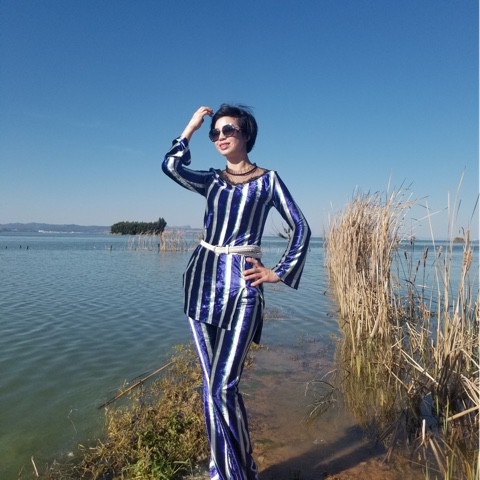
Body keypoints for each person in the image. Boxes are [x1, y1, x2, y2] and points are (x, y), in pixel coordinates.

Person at [162, 104, 311, 480]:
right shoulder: (211, 181)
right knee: (211, 385)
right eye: (215, 133)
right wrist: (191, 128)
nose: (220, 137)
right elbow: (171, 166)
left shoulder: (268, 181)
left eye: (228, 130)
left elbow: (301, 227)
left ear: (246, 134)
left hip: (242, 287)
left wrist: (278, 272)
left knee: (223, 387)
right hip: (200, 283)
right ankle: (227, 469)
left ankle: (239, 471)